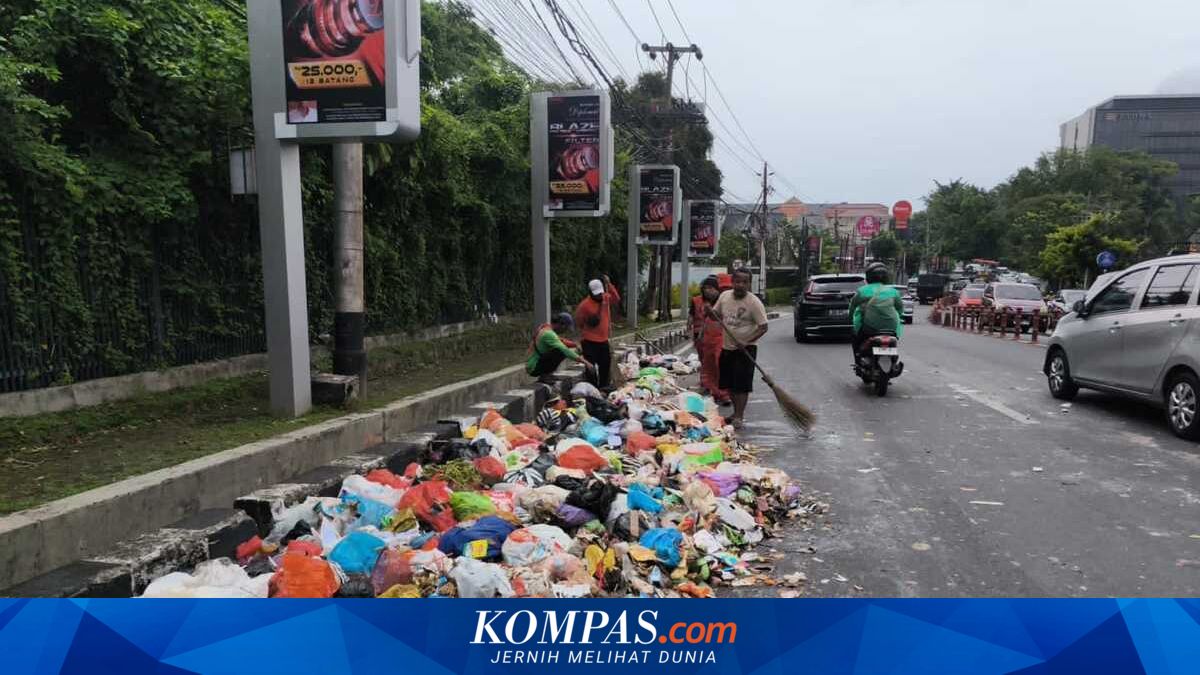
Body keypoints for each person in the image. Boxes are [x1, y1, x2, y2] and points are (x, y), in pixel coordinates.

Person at [709, 268, 769, 428]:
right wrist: (710, 312)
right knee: (729, 383)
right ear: (732, 282)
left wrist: (747, 342)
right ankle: (735, 412)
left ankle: (739, 416)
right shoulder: (724, 296)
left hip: (746, 350)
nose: (740, 285)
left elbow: (763, 327)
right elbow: (715, 316)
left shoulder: (754, 303)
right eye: (737, 281)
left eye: (744, 282)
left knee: (741, 385)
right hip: (727, 347)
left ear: (749, 284)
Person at [849, 262, 904, 364]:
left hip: (870, 328)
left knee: (855, 336)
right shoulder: (893, 291)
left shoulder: (862, 291)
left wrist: (850, 319)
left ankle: (858, 361)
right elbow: (900, 309)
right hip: (891, 328)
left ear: (868, 277)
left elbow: (852, 307)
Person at [574, 274, 620, 389]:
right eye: (596, 294)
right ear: (590, 292)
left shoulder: (606, 298)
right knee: (590, 367)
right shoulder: (584, 306)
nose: (599, 295)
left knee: (605, 364)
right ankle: (592, 388)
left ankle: (603, 387)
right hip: (589, 341)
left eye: (600, 293)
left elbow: (616, 298)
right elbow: (579, 321)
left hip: (603, 340)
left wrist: (609, 284)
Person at [690, 276, 730, 405]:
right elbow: (704, 321)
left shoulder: (724, 303)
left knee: (720, 366)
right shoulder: (702, 302)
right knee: (709, 367)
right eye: (706, 288)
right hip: (707, 341)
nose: (708, 291)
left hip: (721, 340)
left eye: (711, 288)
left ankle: (724, 394)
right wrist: (699, 336)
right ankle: (715, 392)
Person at [526, 313, 593, 381]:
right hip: (533, 367)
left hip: (534, 364)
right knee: (560, 351)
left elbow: (561, 341)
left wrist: (575, 344)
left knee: (560, 349)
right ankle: (545, 375)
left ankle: (547, 374)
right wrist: (585, 362)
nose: (565, 331)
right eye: (566, 328)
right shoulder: (549, 334)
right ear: (562, 325)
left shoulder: (546, 329)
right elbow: (565, 350)